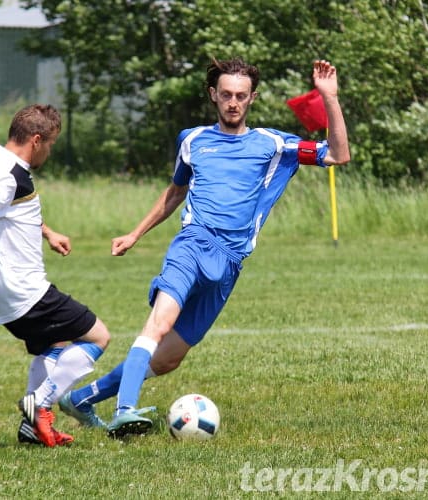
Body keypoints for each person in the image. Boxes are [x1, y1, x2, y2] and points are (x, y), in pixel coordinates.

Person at [58, 58, 351, 438]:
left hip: (230, 264)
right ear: (214, 95)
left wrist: (330, 98)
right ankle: (125, 410)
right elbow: (175, 193)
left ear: (252, 98)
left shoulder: (275, 144)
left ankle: (80, 399)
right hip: (193, 244)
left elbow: (338, 155)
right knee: (159, 324)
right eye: (226, 94)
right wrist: (135, 234)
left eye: (241, 96)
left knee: (167, 359)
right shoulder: (192, 140)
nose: (233, 102)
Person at [0, 104, 111, 447]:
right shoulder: (9, 173)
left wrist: (46, 231)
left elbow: (4, 205)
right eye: (49, 144)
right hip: (23, 288)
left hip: (1, 287)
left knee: (54, 345)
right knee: (97, 337)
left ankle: (32, 429)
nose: (49, 151)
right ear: (36, 140)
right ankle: (41, 403)